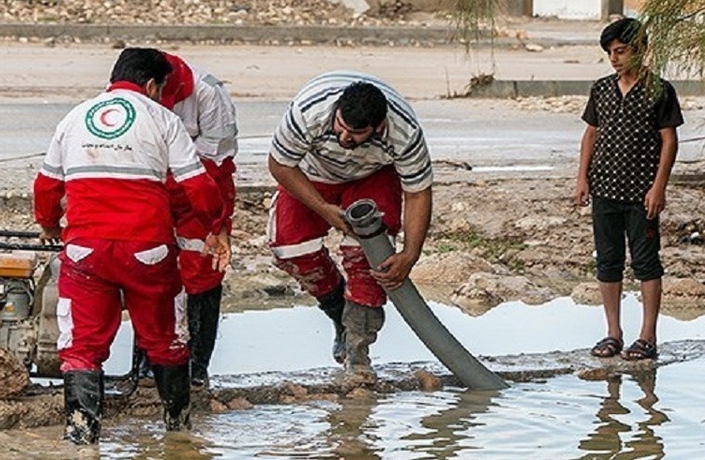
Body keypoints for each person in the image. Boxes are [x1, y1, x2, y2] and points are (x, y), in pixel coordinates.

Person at [33, 47, 223, 445]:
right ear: (152, 86)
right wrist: (214, 227)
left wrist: (49, 225)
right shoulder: (164, 120)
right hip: (148, 251)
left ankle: (83, 439)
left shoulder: (75, 117)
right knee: (166, 340)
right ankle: (178, 433)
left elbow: (46, 186)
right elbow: (200, 187)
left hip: (85, 252)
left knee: (82, 346)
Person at [267, 71, 433, 376]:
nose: (344, 138)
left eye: (356, 135)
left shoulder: (404, 132)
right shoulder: (309, 112)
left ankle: (358, 355)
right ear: (336, 112)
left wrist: (410, 254)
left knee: (370, 259)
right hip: (312, 174)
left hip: (373, 174)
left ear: (378, 127)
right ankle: (338, 314)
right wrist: (323, 208)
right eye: (340, 128)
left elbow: (418, 193)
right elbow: (279, 164)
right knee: (290, 248)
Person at [575, 17, 682, 362]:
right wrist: (582, 178)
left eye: (621, 51)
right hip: (604, 187)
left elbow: (669, 140)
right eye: (610, 53)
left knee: (646, 262)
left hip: (641, 192)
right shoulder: (601, 89)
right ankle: (613, 334)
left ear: (640, 50)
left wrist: (659, 187)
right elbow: (591, 134)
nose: (615, 59)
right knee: (607, 260)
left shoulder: (659, 90)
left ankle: (648, 336)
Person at [158, 51, 238, 388]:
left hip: (203, 188)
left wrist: (217, 223)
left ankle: (197, 367)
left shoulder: (208, 93)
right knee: (153, 267)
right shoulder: (129, 91)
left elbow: (216, 163)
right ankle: (154, 361)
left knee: (203, 269)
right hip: (154, 188)